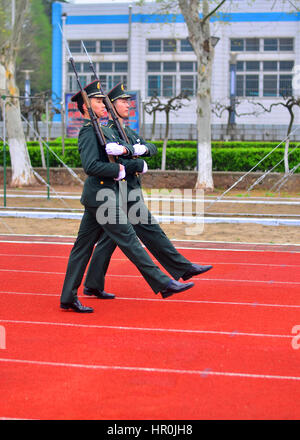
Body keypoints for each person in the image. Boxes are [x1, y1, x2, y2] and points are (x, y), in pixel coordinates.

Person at [60, 80, 195, 313]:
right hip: (101, 195)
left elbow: (118, 157)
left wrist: (131, 160)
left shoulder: (102, 129)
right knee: (129, 239)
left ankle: (68, 297)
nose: (103, 104)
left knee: (82, 247)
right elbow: (90, 166)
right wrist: (119, 171)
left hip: (101, 195)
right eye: (97, 101)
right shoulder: (88, 132)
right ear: (85, 106)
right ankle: (163, 283)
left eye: (104, 100)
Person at [82, 82, 213, 300]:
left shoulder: (126, 130)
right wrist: (136, 161)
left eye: (128, 101)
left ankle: (93, 284)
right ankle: (179, 270)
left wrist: (137, 149)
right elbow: (118, 161)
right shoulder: (108, 132)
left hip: (129, 191)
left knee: (110, 238)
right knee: (148, 231)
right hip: (120, 192)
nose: (128, 105)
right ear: (111, 105)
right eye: (123, 101)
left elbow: (149, 147)